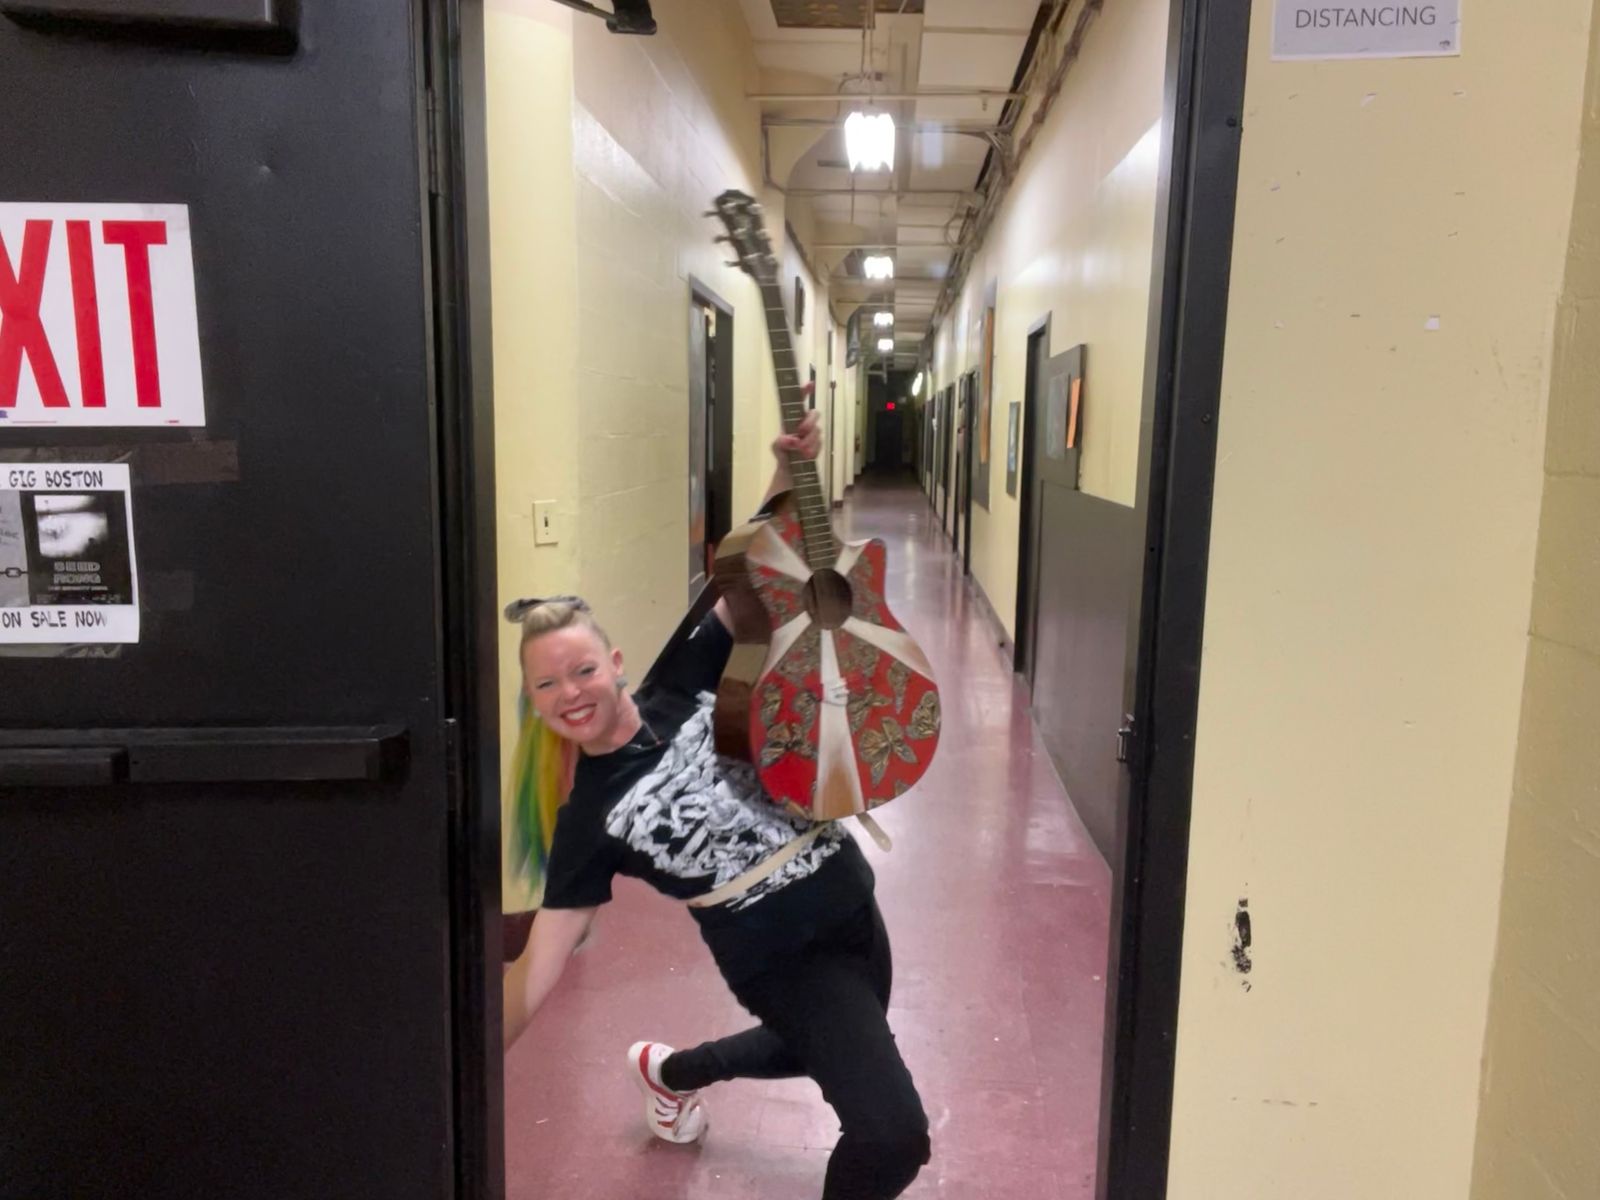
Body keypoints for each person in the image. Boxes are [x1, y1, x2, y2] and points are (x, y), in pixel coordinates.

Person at [503, 407, 930, 1200]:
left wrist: (787, 467)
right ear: (534, 702)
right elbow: (539, 965)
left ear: (615, 662)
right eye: (548, 684)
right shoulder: (590, 817)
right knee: (891, 1134)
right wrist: (453, 1064)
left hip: (852, 902)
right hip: (783, 958)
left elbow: (753, 573)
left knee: (823, 1045)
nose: (571, 693)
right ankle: (675, 1073)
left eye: (583, 670)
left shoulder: (682, 682)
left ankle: (671, 1072)